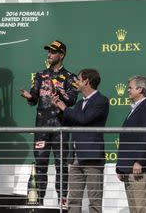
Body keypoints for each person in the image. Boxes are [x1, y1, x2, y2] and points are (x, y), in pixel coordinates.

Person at [20, 40, 78, 206]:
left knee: (62, 167)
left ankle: (63, 203)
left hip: (61, 127)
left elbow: (72, 100)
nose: (49, 54)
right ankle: (37, 203)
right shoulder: (40, 75)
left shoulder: (70, 77)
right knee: (40, 166)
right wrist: (30, 98)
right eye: (48, 52)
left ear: (61, 55)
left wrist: (59, 94)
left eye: (53, 52)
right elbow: (34, 98)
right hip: (42, 127)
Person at [53, 69, 109, 213]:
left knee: (94, 201)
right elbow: (68, 122)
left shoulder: (101, 100)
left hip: (92, 157)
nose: (75, 82)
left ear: (86, 81)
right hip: (75, 157)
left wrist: (65, 108)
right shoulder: (79, 103)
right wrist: (59, 108)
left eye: (78, 79)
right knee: (73, 200)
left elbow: (84, 120)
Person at [116, 76, 146, 213]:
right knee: (135, 209)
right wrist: (121, 167)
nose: (127, 90)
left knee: (143, 209)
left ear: (140, 89)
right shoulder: (135, 109)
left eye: (130, 88)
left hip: (141, 168)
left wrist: (139, 161)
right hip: (129, 168)